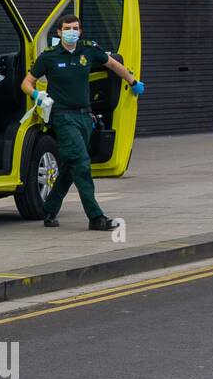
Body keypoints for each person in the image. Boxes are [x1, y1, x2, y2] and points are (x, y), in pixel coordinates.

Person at [21, 14, 144, 230]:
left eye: (75, 28)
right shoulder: (49, 56)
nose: (72, 31)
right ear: (59, 32)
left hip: (85, 117)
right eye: (67, 28)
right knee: (82, 164)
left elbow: (113, 65)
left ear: (80, 31)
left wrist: (133, 81)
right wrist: (37, 96)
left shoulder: (88, 49)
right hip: (62, 117)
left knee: (70, 166)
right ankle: (96, 217)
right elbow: (27, 83)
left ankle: (49, 210)